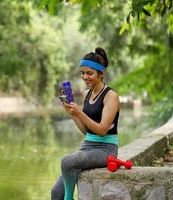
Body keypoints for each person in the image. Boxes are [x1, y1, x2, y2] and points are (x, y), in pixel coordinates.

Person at [51, 47, 120, 200]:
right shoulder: (86, 94)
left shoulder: (111, 96)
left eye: (90, 73)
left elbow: (102, 130)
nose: (85, 77)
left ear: (101, 74)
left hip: (106, 150)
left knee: (67, 161)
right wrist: (72, 113)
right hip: (87, 146)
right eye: (83, 73)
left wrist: (80, 112)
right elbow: (86, 131)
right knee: (56, 193)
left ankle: (69, 198)